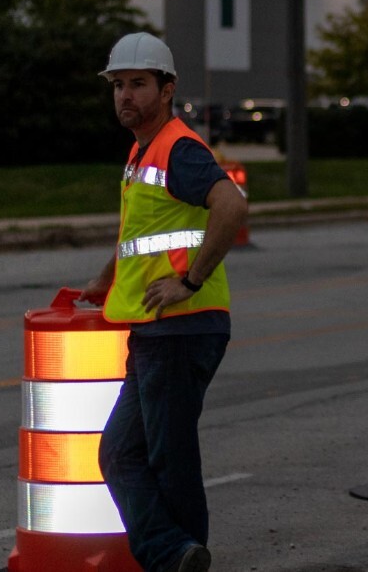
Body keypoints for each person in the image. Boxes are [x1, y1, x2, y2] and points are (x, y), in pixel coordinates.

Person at [80, 32, 248, 572]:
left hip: (182, 325)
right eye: (118, 86)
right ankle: (174, 554)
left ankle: (175, 558)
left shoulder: (177, 148)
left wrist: (191, 281)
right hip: (157, 330)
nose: (125, 96)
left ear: (167, 89)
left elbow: (231, 204)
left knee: (168, 460)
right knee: (120, 453)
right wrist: (106, 278)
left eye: (138, 85)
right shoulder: (141, 152)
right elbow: (141, 232)